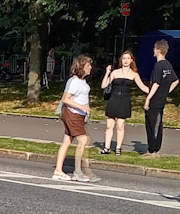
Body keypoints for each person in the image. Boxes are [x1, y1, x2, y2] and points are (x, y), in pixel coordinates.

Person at [52, 55, 99, 183]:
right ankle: (77, 172)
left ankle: (58, 170)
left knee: (67, 141)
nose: (90, 67)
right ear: (81, 66)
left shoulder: (82, 81)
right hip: (72, 113)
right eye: (88, 65)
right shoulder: (74, 81)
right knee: (83, 140)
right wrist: (82, 107)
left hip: (78, 114)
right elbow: (66, 99)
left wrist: (85, 110)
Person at [99, 50, 150, 155]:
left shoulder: (134, 74)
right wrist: (107, 73)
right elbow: (103, 85)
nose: (126, 61)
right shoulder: (115, 72)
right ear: (121, 60)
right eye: (124, 58)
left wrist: (154, 92)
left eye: (128, 58)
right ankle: (107, 148)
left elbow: (143, 87)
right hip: (114, 99)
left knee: (120, 125)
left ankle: (118, 148)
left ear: (131, 60)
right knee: (109, 125)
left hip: (124, 101)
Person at [142, 39, 180, 157]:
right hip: (162, 100)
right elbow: (176, 81)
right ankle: (156, 149)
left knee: (152, 125)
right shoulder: (168, 65)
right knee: (158, 124)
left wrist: (148, 98)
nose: (153, 50)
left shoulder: (158, 66)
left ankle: (152, 150)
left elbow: (156, 83)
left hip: (155, 100)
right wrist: (166, 91)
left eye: (154, 48)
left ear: (158, 50)